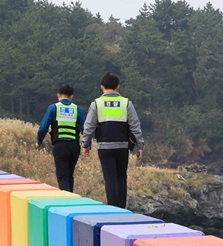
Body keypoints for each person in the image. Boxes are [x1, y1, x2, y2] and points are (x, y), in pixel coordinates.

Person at [82, 72, 144, 208]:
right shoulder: (126, 103)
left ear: (102, 87)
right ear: (118, 87)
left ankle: (112, 208)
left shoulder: (96, 104)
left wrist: (85, 145)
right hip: (122, 147)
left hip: (104, 147)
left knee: (110, 178)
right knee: (121, 177)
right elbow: (135, 125)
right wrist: (140, 146)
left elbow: (89, 127)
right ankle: (122, 208)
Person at [36, 84, 85, 192]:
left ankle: (66, 202)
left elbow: (43, 127)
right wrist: (87, 145)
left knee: (62, 176)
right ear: (71, 96)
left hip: (60, 145)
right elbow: (84, 129)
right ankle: (71, 201)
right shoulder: (77, 109)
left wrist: (39, 141)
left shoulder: (53, 108)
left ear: (58, 95)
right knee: (69, 175)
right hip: (74, 146)